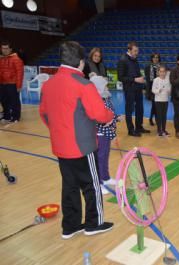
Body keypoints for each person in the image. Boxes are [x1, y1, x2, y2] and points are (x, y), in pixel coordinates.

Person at [39, 41, 114, 239]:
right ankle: (93, 224)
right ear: (81, 62)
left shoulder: (48, 85)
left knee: (69, 185)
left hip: (60, 146)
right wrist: (109, 117)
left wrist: (58, 130)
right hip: (82, 147)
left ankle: (70, 226)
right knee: (91, 185)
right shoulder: (83, 85)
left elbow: (44, 114)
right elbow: (99, 114)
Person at [90, 76, 119, 195]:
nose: (107, 87)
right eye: (104, 85)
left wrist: (116, 118)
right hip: (100, 133)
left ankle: (105, 178)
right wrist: (108, 120)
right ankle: (99, 183)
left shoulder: (106, 98)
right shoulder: (96, 100)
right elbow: (97, 118)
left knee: (105, 155)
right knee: (100, 158)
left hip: (107, 132)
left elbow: (110, 114)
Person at [117, 41, 149, 137]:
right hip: (129, 89)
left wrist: (142, 82)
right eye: (135, 51)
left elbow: (137, 73)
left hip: (138, 89)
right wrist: (135, 79)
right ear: (129, 50)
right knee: (129, 110)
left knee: (140, 109)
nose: (136, 53)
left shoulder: (135, 59)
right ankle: (131, 130)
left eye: (137, 51)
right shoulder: (123, 60)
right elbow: (120, 77)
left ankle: (139, 127)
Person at [0, 40, 24, 123]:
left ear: (10, 49)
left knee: (14, 101)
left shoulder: (16, 59)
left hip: (12, 84)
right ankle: (6, 116)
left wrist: (19, 86)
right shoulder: (1, 59)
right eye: (3, 48)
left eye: (6, 48)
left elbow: (20, 73)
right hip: (2, 84)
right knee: (4, 101)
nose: (4, 50)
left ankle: (16, 117)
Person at [152, 65, 171, 137]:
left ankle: (164, 129)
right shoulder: (156, 80)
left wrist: (169, 91)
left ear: (166, 72)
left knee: (164, 116)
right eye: (161, 71)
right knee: (159, 116)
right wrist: (158, 91)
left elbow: (169, 89)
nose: (162, 73)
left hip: (165, 100)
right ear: (158, 72)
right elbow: (153, 90)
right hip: (158, 100)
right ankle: (159, 130)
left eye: (164, 71)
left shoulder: (167, 80)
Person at [144, 53, 161, 126]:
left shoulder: (161, 67)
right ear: (152, 59)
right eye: (154, 57)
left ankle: (151, 118)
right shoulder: (148, 67)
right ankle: (154, 119)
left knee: (156, 105)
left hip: (160, 89)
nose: (155, 59)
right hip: (151, 89)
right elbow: (148, 80)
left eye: (157, 57)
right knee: (155, 105)